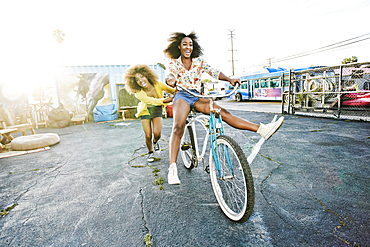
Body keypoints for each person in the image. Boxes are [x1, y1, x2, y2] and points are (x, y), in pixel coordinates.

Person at [163, 31, 284, 185]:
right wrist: (171, 80)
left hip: (197, 95)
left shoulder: (199, 61)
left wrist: (229, 79)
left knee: (223, 113)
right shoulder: (174, 62)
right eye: (185, 44)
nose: (188, 47)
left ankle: (262, 129)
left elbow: (213, 71)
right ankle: (172, 168)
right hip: (182, 94)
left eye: (191, 44)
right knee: (178, 126)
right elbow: (170, 75)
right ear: (179, 46)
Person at [124, 64, 176, 162]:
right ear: (135, 83)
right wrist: (167, 100)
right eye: (137, 80)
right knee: (148, 134)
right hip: (145, 111)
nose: (141, 81)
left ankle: (155, 142)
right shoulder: (138, 93)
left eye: (142, 77)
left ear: (147, 75)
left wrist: (177, 92)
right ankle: (150, 153)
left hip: (157, 110)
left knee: (157, 133)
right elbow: (151, 101)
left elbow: (172, 90)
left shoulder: (158, 84)